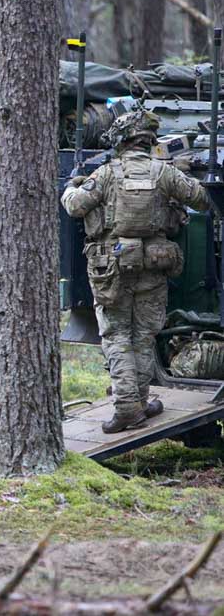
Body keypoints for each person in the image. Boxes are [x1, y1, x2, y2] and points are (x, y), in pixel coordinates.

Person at [62, 109, 209, 433]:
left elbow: (74, 207)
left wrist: (72, 187)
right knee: (144, 336)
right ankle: (139, 402)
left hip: (111, 266)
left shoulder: (105, 174)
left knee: (116, 336)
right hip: (154, 264)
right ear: (149, 141)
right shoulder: (164, 172)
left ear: (120, 141)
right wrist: (181, 176)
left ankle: (128, 407)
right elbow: (201, 200)